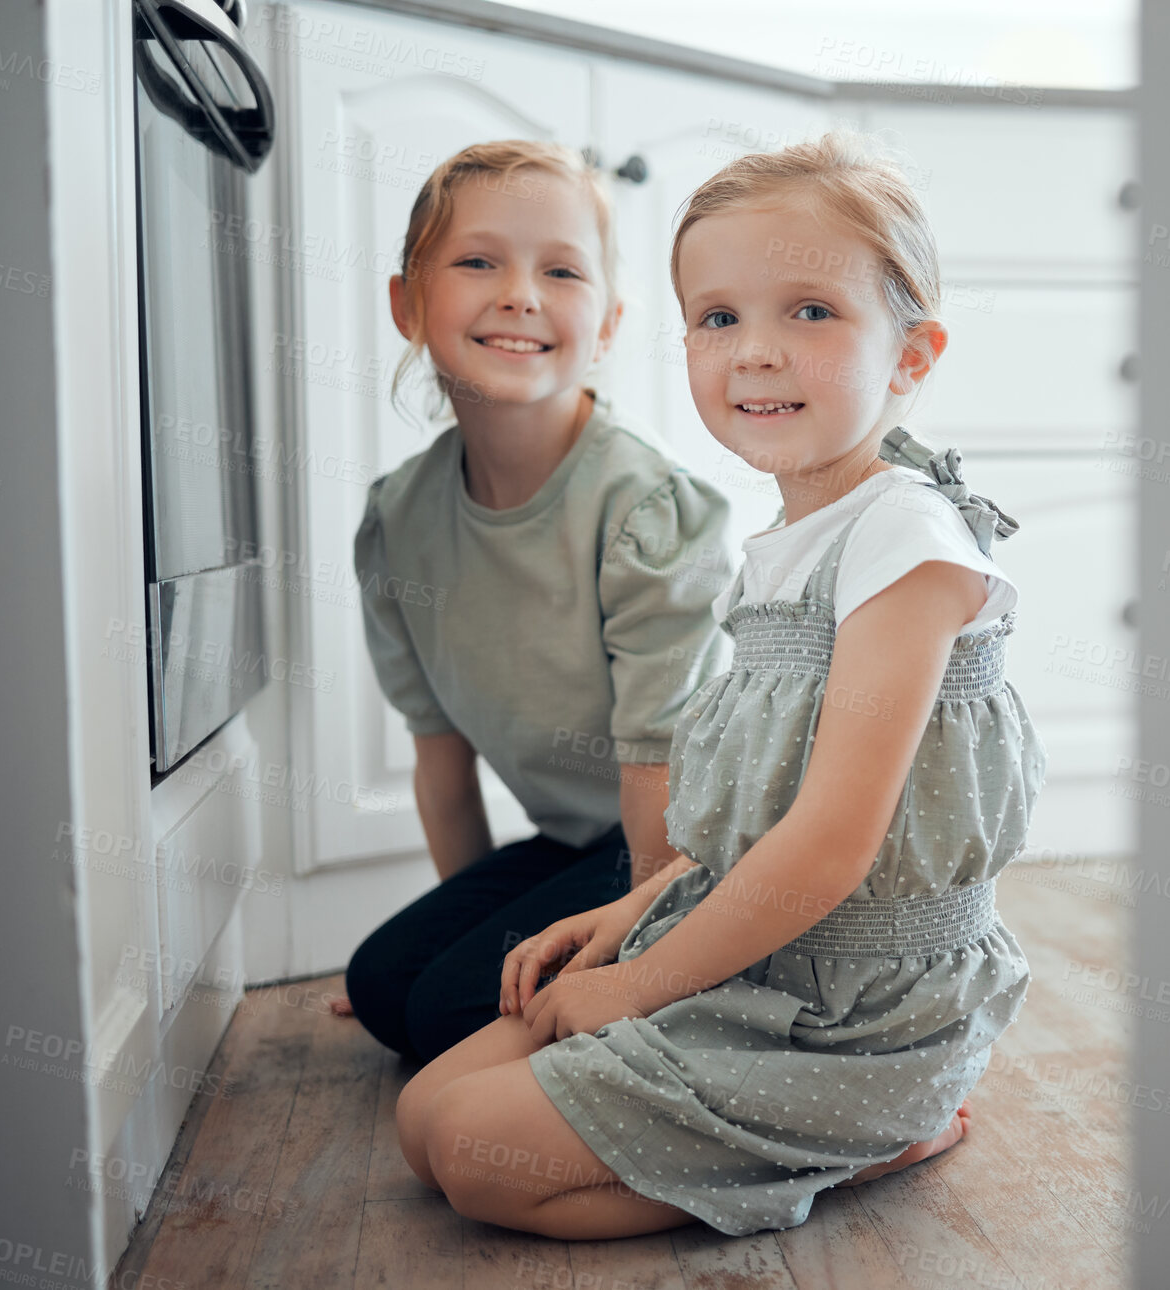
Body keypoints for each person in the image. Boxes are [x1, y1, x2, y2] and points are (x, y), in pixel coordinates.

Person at [391, 131, 1048, 1240]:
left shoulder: (908, 541)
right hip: (754, 940)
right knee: (422, 1117)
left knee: (476, 1158)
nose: (754, 353)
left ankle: (885, 1130)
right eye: (719, 317)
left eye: (810, 312)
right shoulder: (789, 539)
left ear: (912, 353)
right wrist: (623, 915)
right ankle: (776, 1122)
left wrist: (635, 990)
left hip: (857, 1006)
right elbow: (756, 821)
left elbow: (832, 846)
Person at [330, 140, 735, 1066]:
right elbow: (441, 760)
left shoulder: (641, 510)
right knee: (388, 985)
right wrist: (471, 938)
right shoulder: (399, 524)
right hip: (579, 842)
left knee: (443, 1017)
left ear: (607, 324)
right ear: (407, 303)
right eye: (478, 261)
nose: (519, 293)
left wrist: (629, 966)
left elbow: (657, 779)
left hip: (692, 848)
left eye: (560, 270)